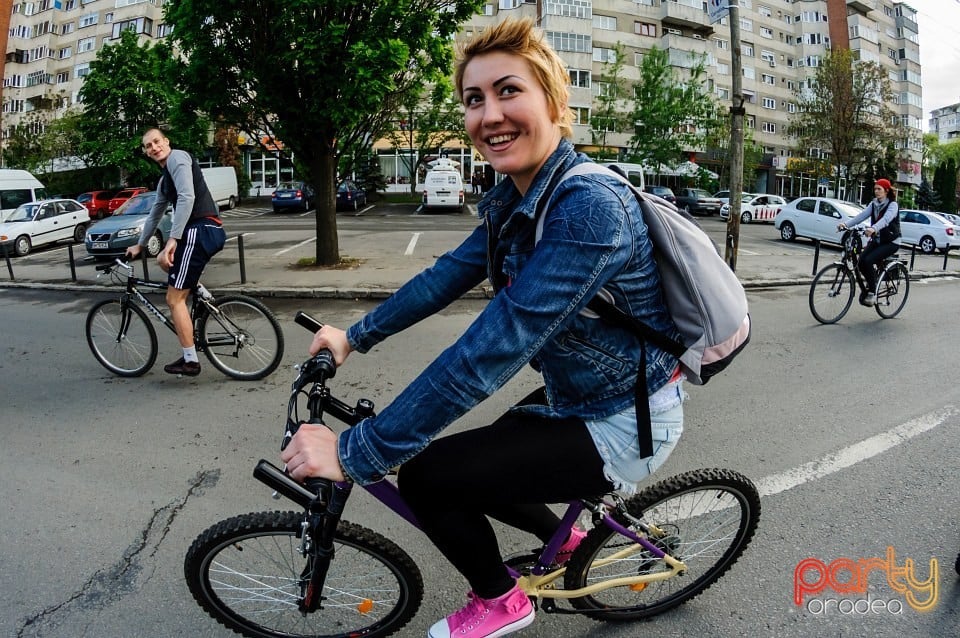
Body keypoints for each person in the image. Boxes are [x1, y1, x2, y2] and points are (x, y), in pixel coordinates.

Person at [280, 18, 684, 638]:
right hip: (576, 397)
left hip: (625, 420)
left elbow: (494, 347)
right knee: (479, 463)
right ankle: (568, 537)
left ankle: (501, 601)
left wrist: (357, 451)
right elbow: (447, 276)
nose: (489, 114)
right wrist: (353, 336)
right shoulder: (514, 196)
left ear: (554, 101)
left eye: (508, 91)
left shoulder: (588, 208)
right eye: (474, 100)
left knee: (426, 475)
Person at [126, 128, 226, 376]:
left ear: (166, 142)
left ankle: (190, 360)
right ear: (146, 152)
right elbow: (155, 213)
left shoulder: (177, 158)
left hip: (200, 229)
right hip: (202, 230)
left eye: (156, 141)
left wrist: (173, 239)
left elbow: (187, 197)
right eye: (148, 146)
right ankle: (200, 293)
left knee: (173, 299)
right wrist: (140, 244)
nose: (153, 147)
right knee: (163, 260)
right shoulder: (164, 179)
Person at [838, 178, 901, 306]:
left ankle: (872, 292)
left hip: (891, 241)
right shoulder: (873, 204)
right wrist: (846, 224)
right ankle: (872, 281)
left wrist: (874, 228)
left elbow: (886, 219)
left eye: (879, 189)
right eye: (875, 189)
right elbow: (861, 216)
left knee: (868, 261)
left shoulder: (892, 205)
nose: (876, 192)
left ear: (886, 191)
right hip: (878, 240)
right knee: (861, 261)